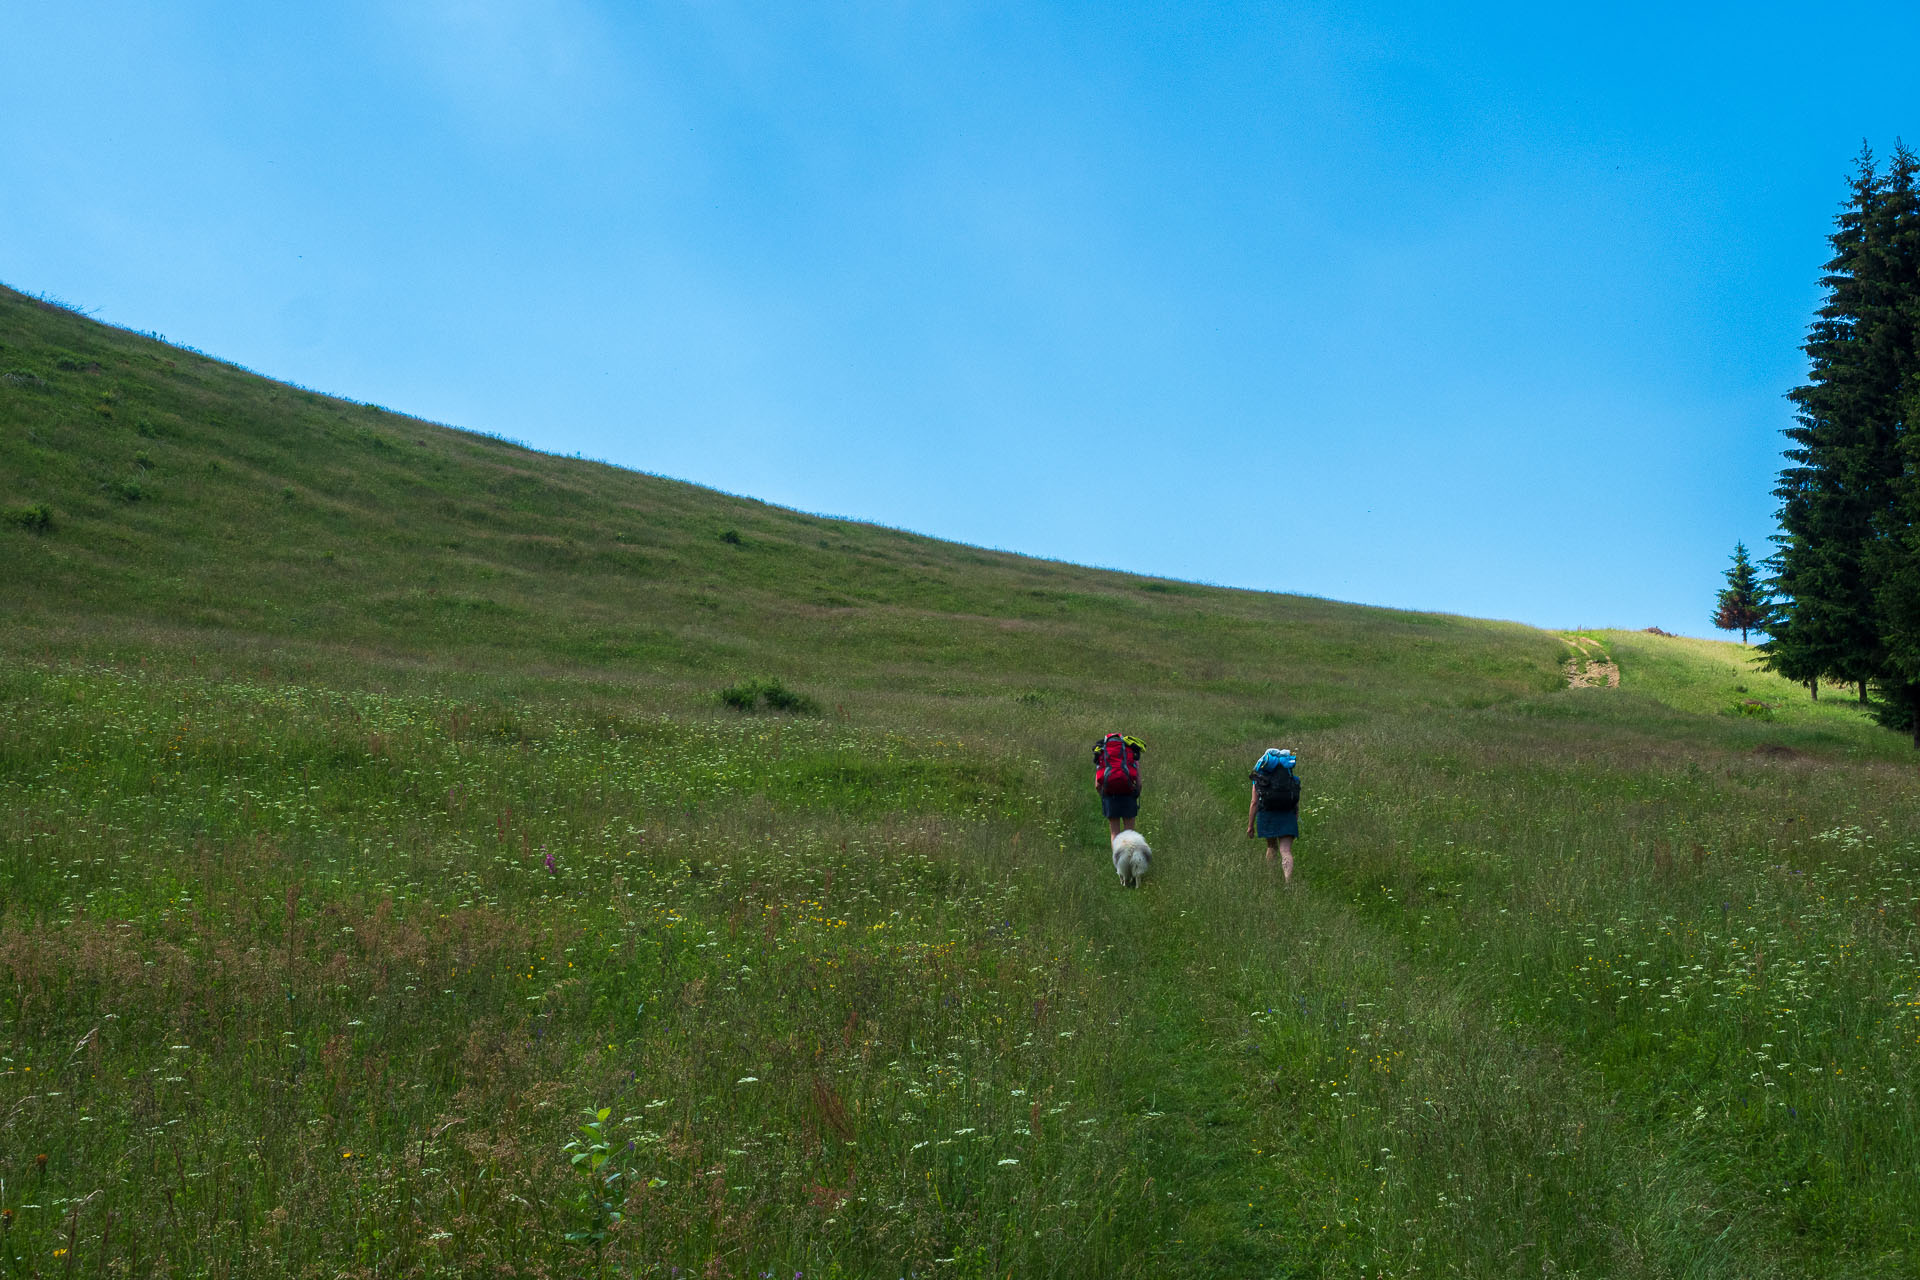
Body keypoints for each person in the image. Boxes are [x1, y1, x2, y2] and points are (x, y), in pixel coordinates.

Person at [1246, 747, 1301, 881]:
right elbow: (1296, 802)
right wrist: (1294, 820)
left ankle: (1271, 878)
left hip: (1267, 815)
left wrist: (1250, 826)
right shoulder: (1293, 779)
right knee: (1286, 851)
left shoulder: (1260, 780)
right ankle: (1288, 882)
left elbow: (1254, 803)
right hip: (1288, 816)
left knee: (1271, 846)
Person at [1092, 733, 1144, 838]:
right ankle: (1129, 854)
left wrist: (1103, 795)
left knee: (1114, 833)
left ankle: (1116, 855)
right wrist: (1136, 793)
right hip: (1129, 793)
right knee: (1129, 832)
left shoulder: (1102, 752)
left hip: (1110, 795)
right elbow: (1139, 781)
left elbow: (1097, 785)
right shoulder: (1130, 752)